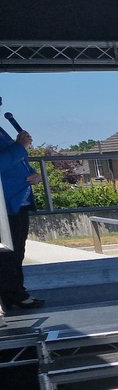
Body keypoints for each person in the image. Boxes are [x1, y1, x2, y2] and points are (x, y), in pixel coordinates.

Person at [0, 122, 43, 310]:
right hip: (5, 204)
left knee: (16, 251)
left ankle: (15, 292)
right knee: (8, 254)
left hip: (17, 202)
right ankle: (13, 294)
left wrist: (34, 174)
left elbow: (17, 163)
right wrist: (20, 146)